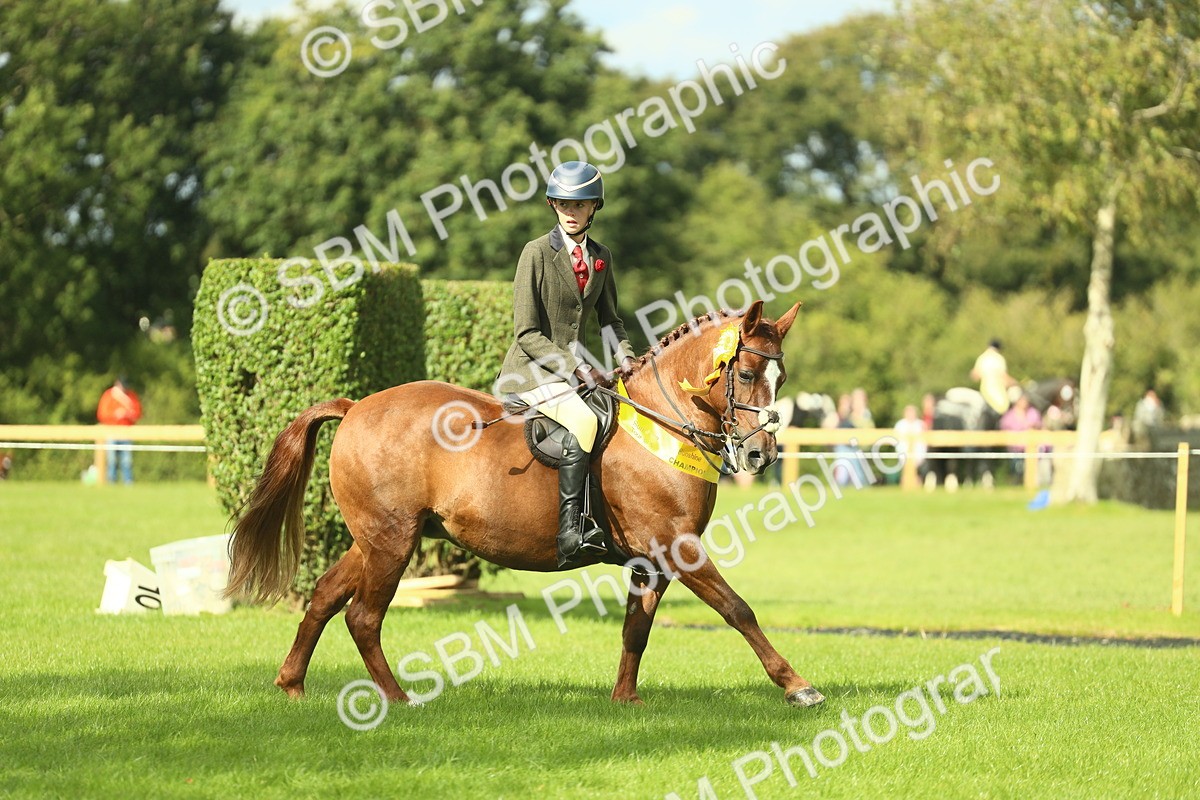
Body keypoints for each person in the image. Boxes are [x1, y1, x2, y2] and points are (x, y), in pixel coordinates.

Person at [498, 161, 636, 568]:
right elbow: (526, 331)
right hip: (532, 371)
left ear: (595, 206)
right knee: (586, 422)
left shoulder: (601, 256)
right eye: (563, 204)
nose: (571, 211)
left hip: (575, 376)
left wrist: (627, 358)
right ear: (552, 205)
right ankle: (572, 532)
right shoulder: (536, 253)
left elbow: (610, 320)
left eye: (580, 204)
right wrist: (575, 368)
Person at [96, 377, 142, 484]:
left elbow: (137, 412)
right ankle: (111, 481)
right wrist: (115, 415)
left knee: (126, 459)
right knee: (111, 459)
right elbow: (102, 414)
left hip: (126, 431)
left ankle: (128, 481)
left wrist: (127, 414)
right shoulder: (109, 396)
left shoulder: (131, 396)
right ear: (117, 384)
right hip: (112, 431)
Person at [970, 339, 1016, 430]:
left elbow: (974, 376)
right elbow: (1004, 377)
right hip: (997, 390)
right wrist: (1015, 383)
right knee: (1005, 406)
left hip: (984, 389)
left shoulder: (982, 357)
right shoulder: (999, 358)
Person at [999, 393, 1042, 481]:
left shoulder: (1033, 412)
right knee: (1015, 465)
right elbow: (1004, 428)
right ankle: (1015, 480)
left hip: (1033, 446)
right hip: (1015, 447)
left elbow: (1039, 425)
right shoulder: (1010, 415)